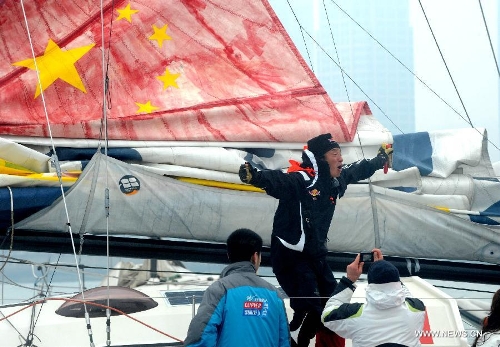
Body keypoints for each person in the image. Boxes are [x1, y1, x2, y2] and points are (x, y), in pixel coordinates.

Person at [238, 133, 393, 347]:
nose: (340, 159)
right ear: (321, 159)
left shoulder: (335, 181)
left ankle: (310, 335)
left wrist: (380, 160)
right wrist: (254, 176)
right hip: (291, 256)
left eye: (340, 154)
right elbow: (278, 181)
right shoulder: (301, 180)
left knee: (332, 307)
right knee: (311, 309)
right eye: (334, 154)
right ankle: (293, 337)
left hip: (316, 255)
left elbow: (357, 170)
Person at [183, 228, 290, 347]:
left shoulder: (220, 289)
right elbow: (284, 341)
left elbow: (201, 337)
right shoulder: (275, 295)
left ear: (228, 255)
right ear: (255, 257)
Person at [321, 249, 426, 347]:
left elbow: (327, 315)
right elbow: (404, 294)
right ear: (397, 283)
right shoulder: (417, 308)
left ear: (371, 286)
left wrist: (349, 280)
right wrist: (385, 268)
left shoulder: (356, 315)